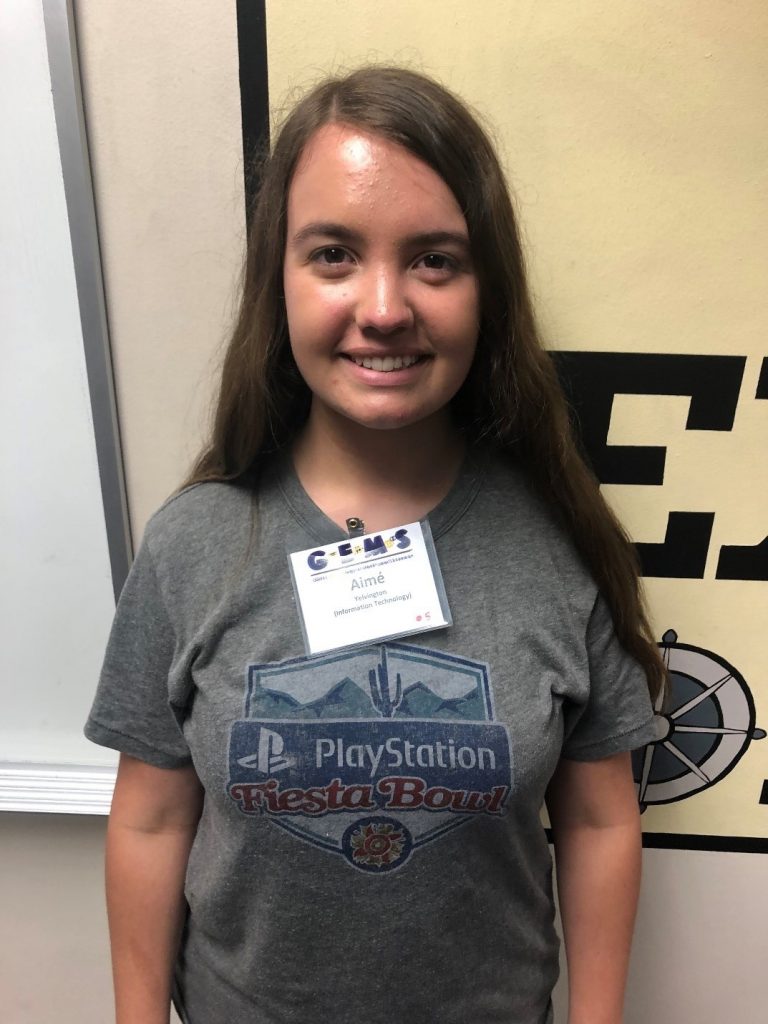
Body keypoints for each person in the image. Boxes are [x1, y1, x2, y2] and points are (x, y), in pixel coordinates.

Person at [86, 66, 664, 1024]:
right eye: (335, 255)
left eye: (435, 259)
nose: (386, 306)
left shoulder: (556, 540)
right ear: (281, 279)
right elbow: (149, 819)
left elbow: (602, 820)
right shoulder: (195, 544)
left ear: (489, 291)